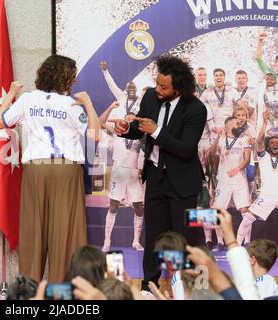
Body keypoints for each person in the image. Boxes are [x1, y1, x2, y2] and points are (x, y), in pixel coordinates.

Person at [0, 54, 100, 282]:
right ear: (66, 79)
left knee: (34, 229)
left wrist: (11, 94)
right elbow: (94, 134)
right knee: (65, 232)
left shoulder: (28, 99)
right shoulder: (71, 104)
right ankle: (60, 291)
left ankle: (29, 289)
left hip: (36, 169)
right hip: (66, 170)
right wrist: (89, 104)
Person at [110, 55, 206, 291]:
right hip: (154, 177)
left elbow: (185, 149)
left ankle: (186, 288)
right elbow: (140, 128)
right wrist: (126, 129)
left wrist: (157, 131)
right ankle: (148, 287)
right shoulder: (151, 96)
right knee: (152, 235)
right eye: (157, 83)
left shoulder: (196, 109)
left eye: (164, 87)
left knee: (184, 239)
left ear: (179, 87)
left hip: (183, 182)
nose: (158, 89)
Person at [99, 83, 145, 252]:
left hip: (133, 174)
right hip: (118, 172)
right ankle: (107, 242)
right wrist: (111, 107)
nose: (129, 121)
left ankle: (136, 241)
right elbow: (100, 122)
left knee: (139, 207)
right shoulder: (117, 132)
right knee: (113, 205)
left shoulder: (140, 136)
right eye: (128, 118)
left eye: (133, 119)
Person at [237, 111, 278, 245]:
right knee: (247, 219)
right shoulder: (263, 156)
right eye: (272, 143)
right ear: (268, 145)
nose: (275, 145)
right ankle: (236, 246)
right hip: (267, 195)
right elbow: (259, 140)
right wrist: (265, 123)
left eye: (277, 143)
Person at [210, 117, 251, 248]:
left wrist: (237, 169)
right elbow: (212, 153)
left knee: (245, 210)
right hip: (224, 180)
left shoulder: (243, 139)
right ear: (228, 126)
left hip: (239, 179)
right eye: (236, 123)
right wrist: (217, 137)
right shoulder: (221, 140)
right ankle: (221, 242)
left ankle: (246, 241)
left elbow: (247, 159)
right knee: (218, 211)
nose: (239, 125)